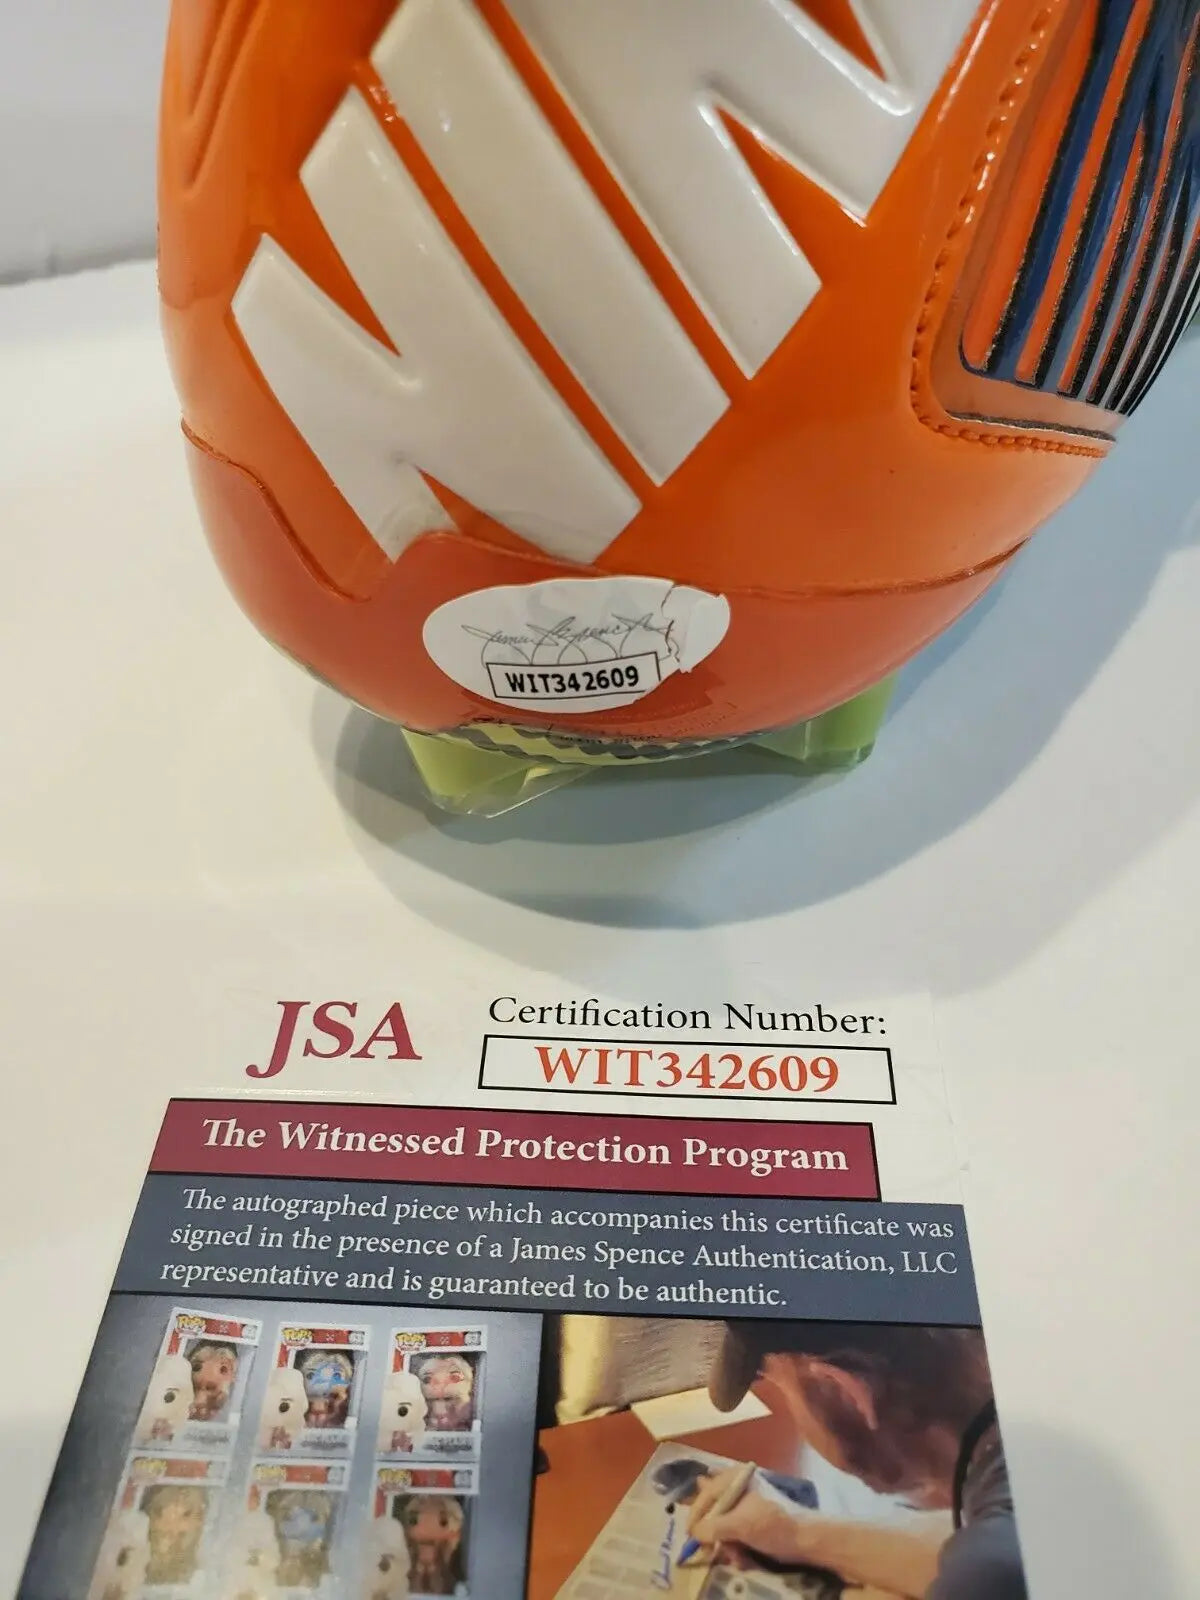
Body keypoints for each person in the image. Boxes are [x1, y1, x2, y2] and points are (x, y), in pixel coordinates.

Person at [689, 1321, 1027, 1599]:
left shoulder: (986, 1573)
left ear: (845, 1392)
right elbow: (969, 1546)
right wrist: (791, 1530)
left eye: (784, 1388)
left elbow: (983, 1572)